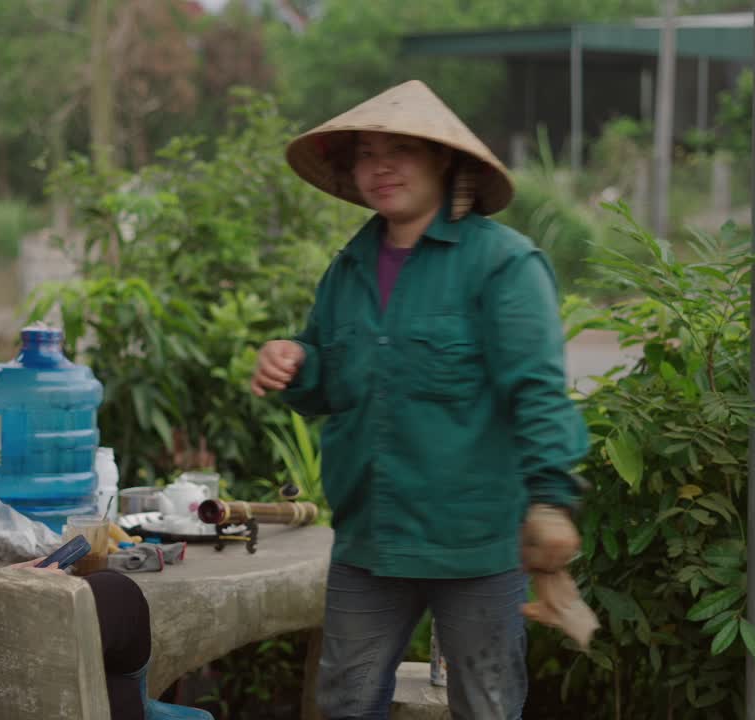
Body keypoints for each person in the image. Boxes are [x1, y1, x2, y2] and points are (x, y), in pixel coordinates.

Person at [250, 80, 586, 720]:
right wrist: (292, 362)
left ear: (444, 162)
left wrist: (550, 497)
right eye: (367, 152)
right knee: (344, 703)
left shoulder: (505, 265)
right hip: (371, 541)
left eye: (402, 149)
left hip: (474, 545)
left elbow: (537, 391)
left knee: (486, 707)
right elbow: (329, 382)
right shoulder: (348, 267)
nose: (380, 166)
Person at [0, 293, 209, 720]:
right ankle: (136, 710)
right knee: (115, 597)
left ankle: (131, 709)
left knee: (99, 598)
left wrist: (5, 577)